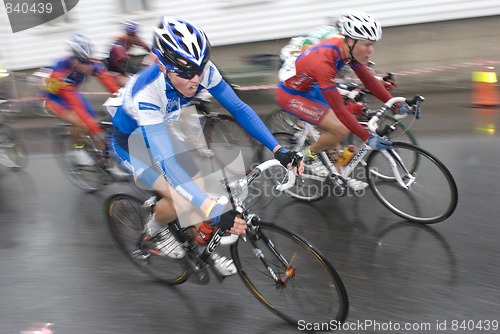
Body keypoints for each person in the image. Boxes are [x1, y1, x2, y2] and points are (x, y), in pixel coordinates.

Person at [104, 15, 303, 276]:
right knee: (181, 200)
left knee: (197, 188)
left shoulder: (200, 70)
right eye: (186, 74)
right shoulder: (149, 94)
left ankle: (197, 249)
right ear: (164, 66)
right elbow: (168, 164)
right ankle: (155, 232)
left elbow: (239, 109)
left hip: (160, 130)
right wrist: (212, 209)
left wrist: (279, 150)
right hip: (130, 142)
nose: (196, 79)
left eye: (199, 69)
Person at [276, 10, 412, 189]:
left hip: (310, 87)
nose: (371, 50)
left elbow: (368, 80)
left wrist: (396, 104)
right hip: (291, 94)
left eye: (373, 45)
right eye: (367, 45)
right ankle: (305, 156)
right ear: (350, 40)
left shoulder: (347, 50)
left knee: (334, 133)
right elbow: (340, 110)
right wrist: (366, 137)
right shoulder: (325, 62)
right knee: (340, 130)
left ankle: (340, 176)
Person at [42, 33, 121, 165]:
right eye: (83, 63)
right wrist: (97, 131)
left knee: (95, 123)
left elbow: (112, 85)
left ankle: (109, 165)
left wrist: (125, 98)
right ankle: (77, 150)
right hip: (54, 98)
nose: (88, 66)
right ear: (75, 60)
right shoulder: (63, 73)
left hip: (72, 91)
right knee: (81, 122)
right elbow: (77, 107)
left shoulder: (94, 64)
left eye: (89, 61)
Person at [105, 20, 151, 86]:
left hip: (123, 61)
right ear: (127, 34)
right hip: (114, 66)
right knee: (135, 72)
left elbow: (147, 47)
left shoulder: (135, 39)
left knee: (138, 69)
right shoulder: (118, 43)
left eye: (135, 35)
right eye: (131, 35)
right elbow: (123, 58)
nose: (133, 38)